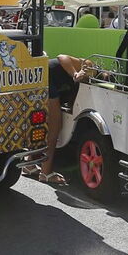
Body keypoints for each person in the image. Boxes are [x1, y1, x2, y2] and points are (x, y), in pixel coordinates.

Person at [33, 54, 98, 185]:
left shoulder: (85, 81)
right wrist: (75, 73)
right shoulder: (92, 68)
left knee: (39, 125)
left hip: (41, 78)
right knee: (54, 128)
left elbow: (73, 99)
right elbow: (62, 57)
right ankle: (45, 173)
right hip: (45, 77)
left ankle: (29, 164)